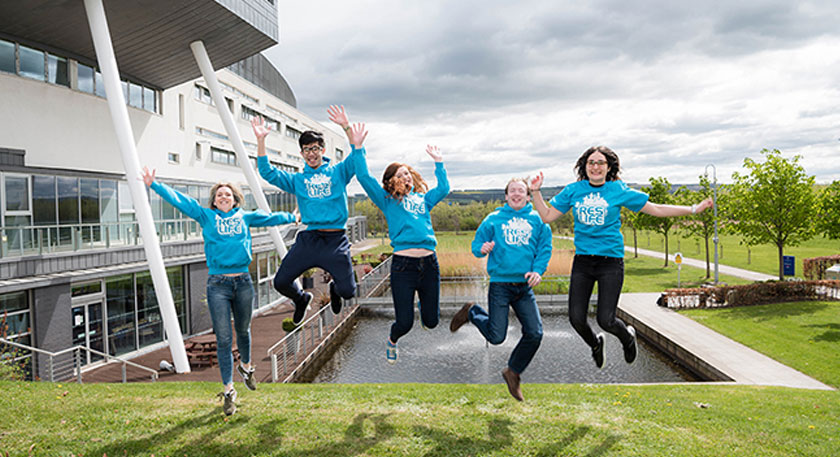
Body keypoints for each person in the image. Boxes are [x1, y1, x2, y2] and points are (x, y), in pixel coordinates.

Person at [529, 146, 713, 369]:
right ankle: (596, 344)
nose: (595, 167)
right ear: (584, 167)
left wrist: (693, 209)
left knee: (605, 320)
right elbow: (547, 216)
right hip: (584, 262)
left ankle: (628, 338)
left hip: (610, 263)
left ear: (608, 168)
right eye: (591, 163)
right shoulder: (573, 190)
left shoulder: (618, 190)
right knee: (576, 319)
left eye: (600, 163)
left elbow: (655, 209)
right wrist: (536, 192)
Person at [142, 167, 296, 416]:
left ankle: (246, 367)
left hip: (243, 282)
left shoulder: (245, 217)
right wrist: (155, 185)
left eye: (228, 195)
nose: (224, 197)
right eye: (219, 195)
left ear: (235, 199)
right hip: (218, 286)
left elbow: (269, 218)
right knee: (224, 339)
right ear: (214, 200)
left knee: (243, 331)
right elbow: (183, 202)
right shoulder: (206, 216)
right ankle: (228, 392)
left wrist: (292, 217)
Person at [327, 105, 451, 364]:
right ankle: (393, 340)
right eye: (401, 173)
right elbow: (362, 175)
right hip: (404, 266)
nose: (406, 176)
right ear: (392, 180)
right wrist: (356, 145)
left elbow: (444, 188)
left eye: (408, 173)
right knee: (404, 323)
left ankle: (422, 306)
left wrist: (439, 163)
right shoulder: (386, 200)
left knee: (432, 321)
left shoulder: (423, 199)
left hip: (429, 264)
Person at [251, 113, 364, 327]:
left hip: (335, 240)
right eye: (306, 150)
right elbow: (267, 172)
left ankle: (334, 289)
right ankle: (301, 298)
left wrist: (348, 131)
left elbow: (357, 161)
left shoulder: (338, 172)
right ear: (302, 154)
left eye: (314, 148)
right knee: (281, 282)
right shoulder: (298, 180)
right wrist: (261, 140)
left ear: (322, 150)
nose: (311, 153)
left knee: (348, 291)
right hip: (309, 240)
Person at [449, 178, 552, 401]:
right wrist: (482, 248)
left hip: (524, 287)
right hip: (500, 285)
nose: (516, 194)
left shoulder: (539, 220)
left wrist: (538, 271)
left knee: (535, 333)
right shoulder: (493, 220)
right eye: (512, 191)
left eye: (521, 191)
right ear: (506, 196)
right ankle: (471, 312)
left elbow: (544, 250)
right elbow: (477, 245)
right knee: (496, 337)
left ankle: (513, 372)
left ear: (528, 196)